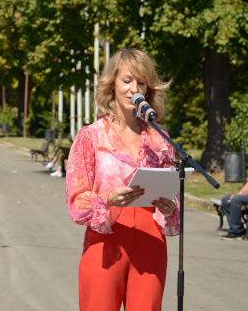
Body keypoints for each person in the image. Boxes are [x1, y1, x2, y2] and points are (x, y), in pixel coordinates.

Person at [66, 48, 179, 311]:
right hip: (106, 238)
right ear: (113, 84)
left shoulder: (160, 140)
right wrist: (107, 198)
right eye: (127, 80)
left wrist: (171, 205)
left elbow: (173, 191)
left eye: (141, 82)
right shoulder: (90, 136)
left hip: (151, 238)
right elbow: (76, 200)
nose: (134, 89)